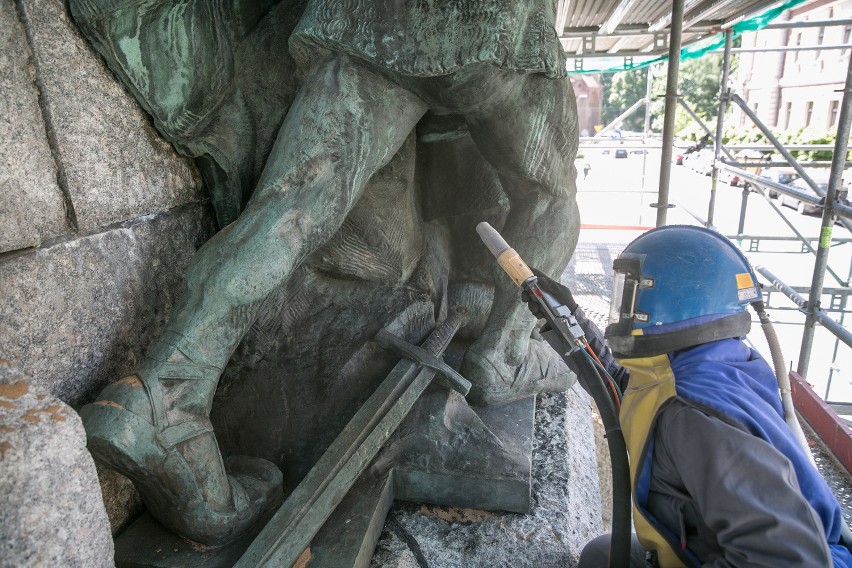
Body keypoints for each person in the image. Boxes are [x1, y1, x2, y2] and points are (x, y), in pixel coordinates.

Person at [74, 0, 580, 544]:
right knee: (552, 194)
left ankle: (167, 386)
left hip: (372, 21)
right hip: (486, 25)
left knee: (291, 207)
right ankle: (502, 354)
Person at [531, 225, 852, 567]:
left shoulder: (698, 418)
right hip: (708, 549)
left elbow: (787, 560)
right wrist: (569, 320)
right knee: (602, 554)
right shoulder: (705, 364)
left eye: (631, 295)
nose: (622, 309)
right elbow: (632, 392)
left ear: (672, 301)